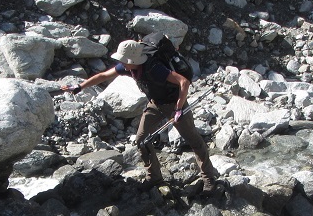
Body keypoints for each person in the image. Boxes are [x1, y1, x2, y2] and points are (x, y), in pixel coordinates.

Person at [61, 39, 218, 192]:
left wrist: (178, 108)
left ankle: (209, 179)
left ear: (134, 60)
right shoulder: (128, 67)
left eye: (124, 60)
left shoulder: (155, 68)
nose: (122, 64)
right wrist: (79, 87)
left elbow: (183, 82)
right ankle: (154, 177)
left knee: (193, 140)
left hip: (174, 103)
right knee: (141, 140)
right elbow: (103, 76)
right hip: (155, 104)